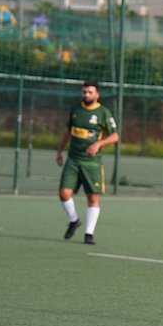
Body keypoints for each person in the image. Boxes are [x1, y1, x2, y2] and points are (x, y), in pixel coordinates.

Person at [55, 80, 119, 245]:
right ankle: (74, 220)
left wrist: (98, 144)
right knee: (64, 193)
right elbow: (68, 132)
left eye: (90, 92)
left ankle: (89, 233)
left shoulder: (103, 113)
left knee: (92, 197)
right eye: (84, 92)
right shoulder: (76, 109)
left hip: (92, 163)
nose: (86, 95)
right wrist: (60, 151)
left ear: (97, 94)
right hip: (73, 159)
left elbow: (115, 136)